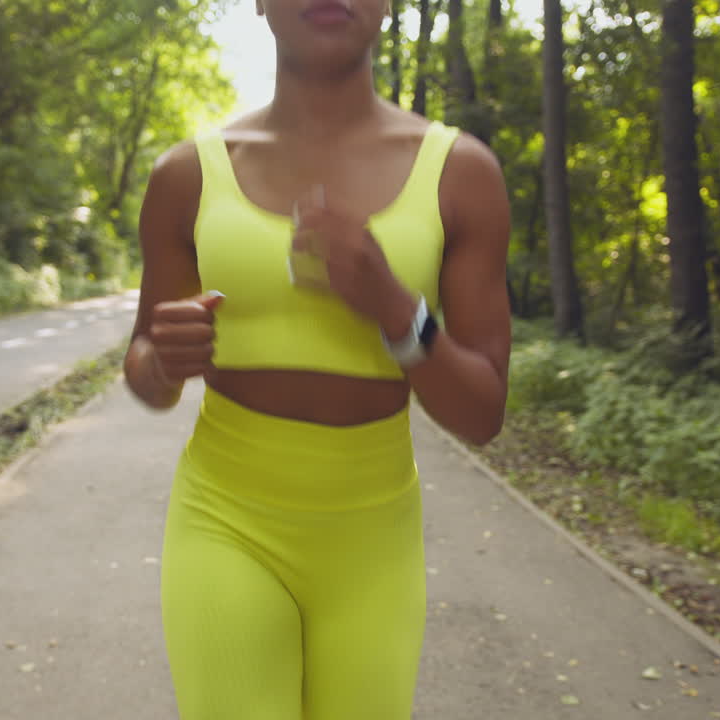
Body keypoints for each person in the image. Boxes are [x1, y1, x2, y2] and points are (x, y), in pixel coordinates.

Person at [122, 0, 512, 717]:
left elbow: (483, 413)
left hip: (374, 538)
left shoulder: (461, 173)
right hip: (225, 520)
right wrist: (160, 360)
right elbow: (147, 372)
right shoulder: (188, 174)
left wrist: (398, 310)